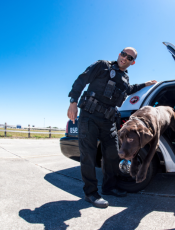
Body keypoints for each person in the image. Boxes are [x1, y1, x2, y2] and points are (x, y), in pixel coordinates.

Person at [67, 47, 157, 208]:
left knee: (113, 154)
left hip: (108, 120)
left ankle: (109, 188)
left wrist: (146, 84)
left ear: (132, 62)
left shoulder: (125, 78)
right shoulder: (103, 65)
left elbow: (129, 90)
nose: (125, 58)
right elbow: (82, 79)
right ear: (119, 54)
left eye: (129, 57)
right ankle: (91, 192)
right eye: (123, 54)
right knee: (88, 154)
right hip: (90, 116)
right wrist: (73, 102)